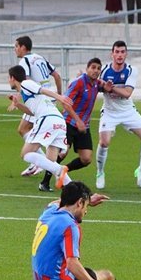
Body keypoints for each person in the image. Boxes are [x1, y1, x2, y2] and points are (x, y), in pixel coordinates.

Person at [7, 65, 82, 190]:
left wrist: (60, 97)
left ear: (12, 78)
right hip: (58, 122)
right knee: (50, 162)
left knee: (26, 154)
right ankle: (74, 190)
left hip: (48, 120)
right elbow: (32, 112)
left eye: (8, 78)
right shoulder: (26, 93)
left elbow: (42, 90)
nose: (8, 81)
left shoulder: (26, 83)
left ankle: (60, 169)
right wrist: (17, 104)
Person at [40, 58, 107, 192]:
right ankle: (44, 182)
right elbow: (65, 103)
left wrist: (108, 86)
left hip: (83, 126)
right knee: (62, 152)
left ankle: (64, 170)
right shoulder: (78, 83)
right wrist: (77, 120)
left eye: (98, 68)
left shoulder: (95, 84)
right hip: (69, 123)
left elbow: (103, 85)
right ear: (87, 68)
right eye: (93, 67)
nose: (96, 70)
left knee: (86, 159)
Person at [96, 40, 141, 190]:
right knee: (104, 142)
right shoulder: (103, 70)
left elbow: (127, 93)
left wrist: (110, 88)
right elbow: (96, 87)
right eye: (117, 52)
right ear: (112, 54)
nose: (120, 55)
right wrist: (102, 87)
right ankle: (100, 172)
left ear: (126, 54)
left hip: (128, 110)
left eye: (122, 52)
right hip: (109, 111)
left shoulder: (131, 70)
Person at [14, 35, 63, 177]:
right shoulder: (40, 57)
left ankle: (38, 162)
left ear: (23, 47)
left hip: (38, 100)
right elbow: (57, 76)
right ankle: (41, 161)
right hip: (49, 98)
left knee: (23, 129)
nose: (15, 50)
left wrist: (19, 97)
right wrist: (58, 95)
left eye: (16, 46)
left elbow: (26, 81)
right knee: (24, 128)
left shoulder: (25, 61)